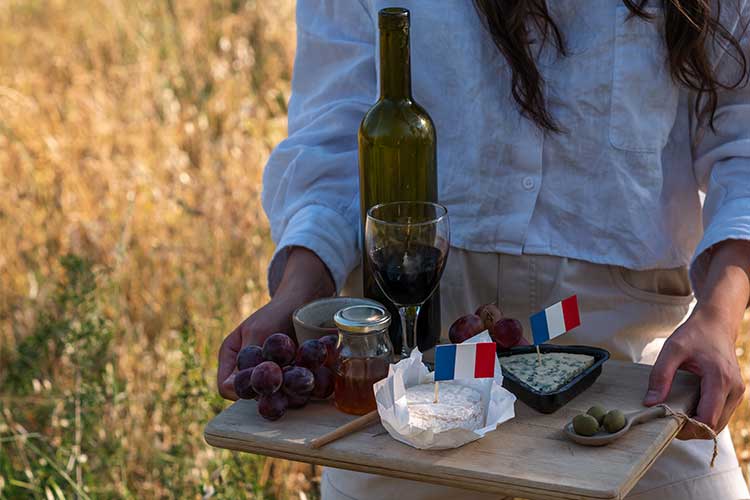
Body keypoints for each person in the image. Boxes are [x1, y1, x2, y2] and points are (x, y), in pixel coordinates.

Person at [218, 1, 750, 498]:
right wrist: (301, 288)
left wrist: (719, 316)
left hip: (627, 356)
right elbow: (336, 134)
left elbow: (742, 143)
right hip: (420, 358)